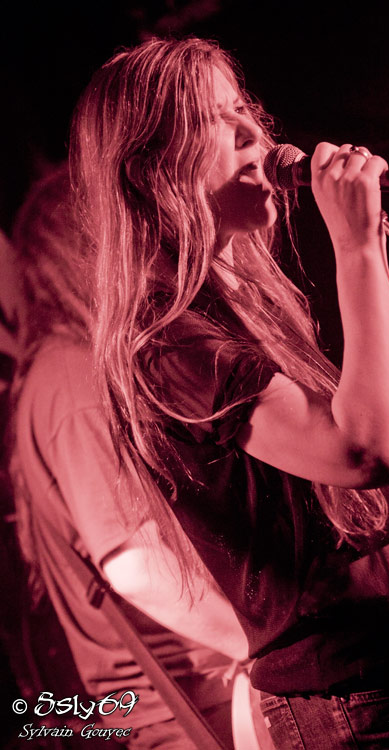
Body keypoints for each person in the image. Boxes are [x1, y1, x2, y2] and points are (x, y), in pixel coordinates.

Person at [64, 36, 389, 749]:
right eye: (216, 118)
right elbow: (370, 451)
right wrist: (357, 246)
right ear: (150, 169)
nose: (254, 133)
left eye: (246, 110)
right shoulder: (166, 345)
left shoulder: (251, 310)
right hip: (366, 706)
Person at [9, 163, 258, 750]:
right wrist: (271, 649)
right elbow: (136, 564)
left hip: (211, 698)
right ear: (91, 248)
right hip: (197, 714)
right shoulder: (73, 378)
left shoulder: (75, 369)